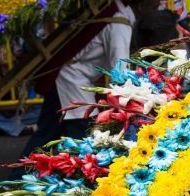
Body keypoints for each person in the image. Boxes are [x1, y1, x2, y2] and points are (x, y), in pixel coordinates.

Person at [21, 0, 136, 157]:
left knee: (47, 135)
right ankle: (21, 176)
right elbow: (120, 72)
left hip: (67, 77)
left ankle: (21, 176)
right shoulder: (119, 23)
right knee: (83, 137)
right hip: (72, 79)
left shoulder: (113, 10)